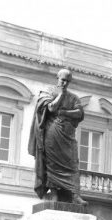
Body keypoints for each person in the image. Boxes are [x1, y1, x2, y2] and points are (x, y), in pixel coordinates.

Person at [28, 68, 86, 204]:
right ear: (57, 78)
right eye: (62, 80)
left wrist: (65, 113)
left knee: (73, 164)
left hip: (68, 136)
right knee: (52, 164)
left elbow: (80, 113)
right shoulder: (48, 91)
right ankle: (54, 195)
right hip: (52, 134)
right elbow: (51, 108)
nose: (65, 83)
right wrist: (61, 94)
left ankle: (75, 194)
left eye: (67, 81)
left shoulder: (74, 97)